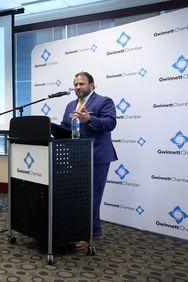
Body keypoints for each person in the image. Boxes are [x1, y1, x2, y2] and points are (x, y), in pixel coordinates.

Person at [61, 71, 118, 246]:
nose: (78, 87)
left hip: (97, 156)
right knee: (79, 195)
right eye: (75, 84)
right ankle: (96, 230)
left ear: (91, 85)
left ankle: (85, 235)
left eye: (81, 84)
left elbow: (111, 123)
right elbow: (65, 126)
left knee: (92, 196)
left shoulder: (104, 101)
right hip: (76, 157)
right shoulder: (71, 104)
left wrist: (90, 119)